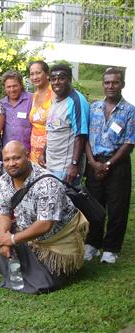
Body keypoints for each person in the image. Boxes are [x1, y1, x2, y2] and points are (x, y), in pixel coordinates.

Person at [0, 141, 87, 294]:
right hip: (27, 233)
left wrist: (13, 239)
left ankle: (34, 271)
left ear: (27, 156)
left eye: (16, 158)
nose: (11, 163)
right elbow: (2, 213)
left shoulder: (48, 183)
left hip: (55, 241)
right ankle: (25, 268)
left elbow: (45, 224)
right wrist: (4, 241)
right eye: (7, 159)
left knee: (44, 284)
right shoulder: (4, 181)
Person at [84, 68, 134, 264]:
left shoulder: (130, 110)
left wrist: (107, 165)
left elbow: (129, 142)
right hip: (94, 162)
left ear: (122, 84)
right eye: (107, 83)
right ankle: (93, 244)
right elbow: (86, 137)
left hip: (117, 164)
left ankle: (111, 248)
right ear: (102, 84)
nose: (110, 86)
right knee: (94, 206)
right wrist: (93, 163)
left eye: (114, 82)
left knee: (117, 208)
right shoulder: (94, 107)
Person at [46, 64, 89, 184]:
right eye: (53, 79)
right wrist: (44, 152)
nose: (56, 82)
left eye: (61, 78)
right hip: (51, 165)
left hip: (65, 169)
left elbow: (80, 136)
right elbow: (53, 128)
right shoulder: (56, 100)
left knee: (65, 202)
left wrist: (74, 164)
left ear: (69, 79)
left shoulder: (76, 101)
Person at [0, 70, 33, 151]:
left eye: (15, 86)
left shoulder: (32, 99)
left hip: (28, 151)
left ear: (21, 85)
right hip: (8, 151)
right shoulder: (1, 104)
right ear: (4, 88)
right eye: (8, 87)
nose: (12, 89)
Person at [28, 60, 53, 166]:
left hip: (48, 151)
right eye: (32, 74)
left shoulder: (54, 94)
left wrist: (45, 151)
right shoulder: (34, 95)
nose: (35, 77)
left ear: (47, 74)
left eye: (38, 73)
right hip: (34, 151)